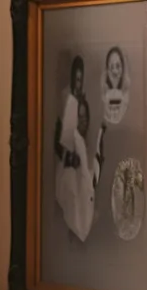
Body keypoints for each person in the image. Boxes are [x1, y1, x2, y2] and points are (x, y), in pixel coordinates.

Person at [54, 55, 106, 242]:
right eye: (76, 79)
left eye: (81, 79)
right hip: (72, 214)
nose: (83, 121)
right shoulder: (69, 133)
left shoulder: (86, 147)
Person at [101, 46, 128, 125]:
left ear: (122, 68)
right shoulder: (105, 97)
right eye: (111, 67)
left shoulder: (126, 97)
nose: (115, 71)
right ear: (107, 70)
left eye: (118, 66)